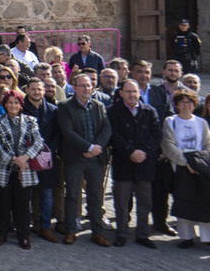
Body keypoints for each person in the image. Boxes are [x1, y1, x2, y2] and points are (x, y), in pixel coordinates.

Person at [58, 72, 112, 247]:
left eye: (89, 86)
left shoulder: (98, 105)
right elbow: (68, 132)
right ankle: (71, 230)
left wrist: (96, 148)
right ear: (75, 87)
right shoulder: (65, 106)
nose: (86, 89)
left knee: (95, 196)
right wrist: (87, 148)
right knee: (72, 195)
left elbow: (106, 129)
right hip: (75, 158)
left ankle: (97, 232)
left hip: (96, 159)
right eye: (83, 86)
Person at [107, 79, 161, 249]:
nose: (132, 95)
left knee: (145, 202)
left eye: (135, 91)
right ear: (121, 92)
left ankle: (143, 234)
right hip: (124, 161)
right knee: (122, 202)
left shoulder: (149, 111)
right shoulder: (112, 111)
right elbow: (113, 136)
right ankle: (121, 233)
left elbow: (157, 135)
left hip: (145, 163)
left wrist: (143, 152)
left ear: (139, 93)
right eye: (128, 91)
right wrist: (130, 151)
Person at [0, 89, 45, 250]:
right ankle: (2, 233)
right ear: (5, 105)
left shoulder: (30, 121)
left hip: (24, 168)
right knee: (3, 203)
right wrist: (14, 159)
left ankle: (23, 235)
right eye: (10, 103)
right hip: (5, 168)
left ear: (21, 104)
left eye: (16, 102)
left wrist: (25, 157)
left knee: (22, 205)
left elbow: (38, 142)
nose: (13, 105)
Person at [160, 87, 210, 247]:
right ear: (177, 105)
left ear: (195, 104)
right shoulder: (171, 121)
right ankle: (186, 236)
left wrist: (199, 163)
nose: (186, 105)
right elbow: (168, 144)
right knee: (183, 200)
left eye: (189, 102)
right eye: (183, 102)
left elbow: (208, 145)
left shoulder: (201, 123)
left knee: (204, 201)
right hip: (180, 166)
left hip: (200, 166)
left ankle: (207, 237)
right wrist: (186, 163)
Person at [22, 78, 61, 243]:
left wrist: (45, 151)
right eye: (33, 89)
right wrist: (31, 153)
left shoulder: (53, 110)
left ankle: (45, 227)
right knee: (26, 195)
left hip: (47, 159)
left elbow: (58, 134)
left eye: (39, 89)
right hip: (27, 159)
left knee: (46, 194)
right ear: (27, 90)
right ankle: (24, 229)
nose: (36, 92)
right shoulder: (21, 109)